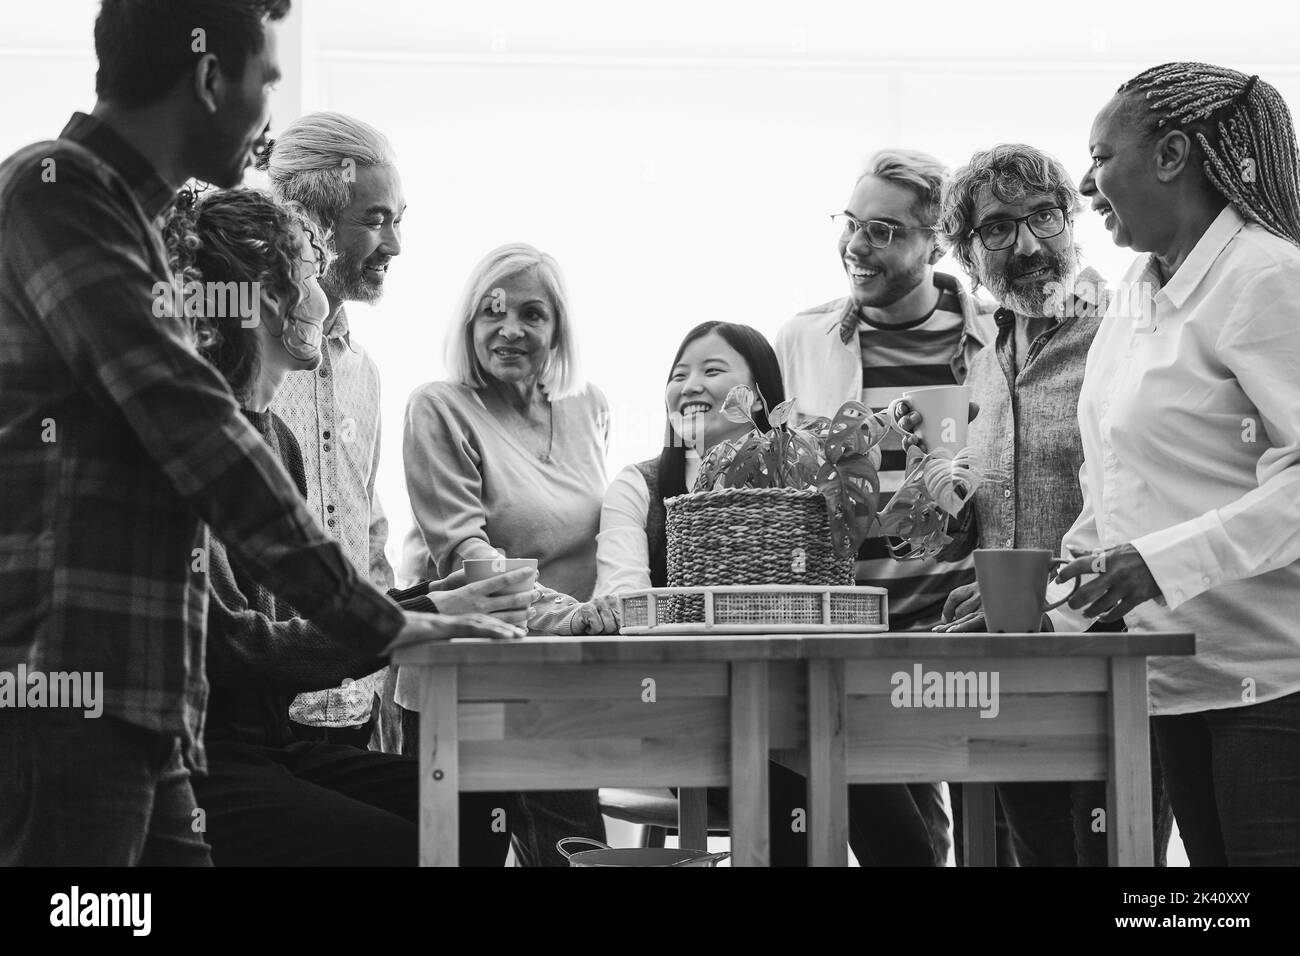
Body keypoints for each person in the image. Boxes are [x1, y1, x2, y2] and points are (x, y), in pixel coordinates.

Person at [0, 0, 515, 867]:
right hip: (69, 695)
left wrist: (393, 615)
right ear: (208, 78)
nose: (270, 117)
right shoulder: (56, 189)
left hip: (153, 704)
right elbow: (191, 422)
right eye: (265, 79)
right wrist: (376, 622)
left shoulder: (143, 235)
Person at [171, 187, 529, 865]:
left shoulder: (277, 439)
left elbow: (305, 617)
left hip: (269, 748)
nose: (321, 299)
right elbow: (238, 651)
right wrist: (412, 623)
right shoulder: (194, 439)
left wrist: (429, 604)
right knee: (408, 848)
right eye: (308, 275)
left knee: (479, 809)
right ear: (267, 302)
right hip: (203, 760)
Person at [1050, 63, 1300, 865]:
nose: (1089, 185)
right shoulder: (1135, 290)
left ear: (1173, 154)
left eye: (1100, 157)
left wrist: (1157, 565)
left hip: (1271, 680)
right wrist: (1046, 605)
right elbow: (1116, 487)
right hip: (1166, 680)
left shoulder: (1267, 276)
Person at [927, 143, 1171, 866]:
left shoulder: (1133, 325)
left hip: (1116, 660)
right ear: (968, 256)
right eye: (998, 228)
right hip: (1011, 669)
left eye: (1045, 216)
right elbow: (988, 508)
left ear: (1075, 221)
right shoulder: (978, 354)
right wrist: (942, 492)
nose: (1029, 243)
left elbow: (1155, 487)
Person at [776, 148, 998, 865]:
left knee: (993, 839)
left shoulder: (995, 336)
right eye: (852, 224)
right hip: (852, 639)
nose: (857, 246)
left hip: (962, 638)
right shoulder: (803, 340)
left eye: (884, 231)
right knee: (904, 851)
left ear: (935, 243)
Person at [397, 242, 617, 866]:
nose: (510, 329)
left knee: (577, 853)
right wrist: (565, 614)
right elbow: (468, 556)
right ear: (469, 323)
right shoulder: (437, 408)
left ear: (558, 327)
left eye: (532, 313)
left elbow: (608, 535)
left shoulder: (589, 406)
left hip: (563, 683)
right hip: (467, 682)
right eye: (492, 311)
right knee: (470, 856)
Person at [594, 321, 812, 865]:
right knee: (809, 780)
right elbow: (626, 605)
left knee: (864, 773)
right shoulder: (638, 488)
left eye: (713, 371)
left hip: (796, 711)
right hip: (680, 718)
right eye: (678, 375)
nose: (690, 385)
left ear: (760, 395)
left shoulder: (803, 487)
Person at [259, 112, 406, 753]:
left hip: (354, 702)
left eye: (399, 219)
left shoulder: (364, 374)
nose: (396, 245)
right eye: (376, 220)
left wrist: (387, 684)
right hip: (262, 702)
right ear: (312, 224)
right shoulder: (245, 360)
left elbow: (366, 531)